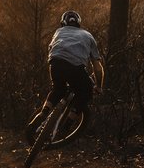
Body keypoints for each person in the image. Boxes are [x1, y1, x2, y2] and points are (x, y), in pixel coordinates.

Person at [25, 10, 105, 142]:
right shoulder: (87, 35)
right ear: (79, 23)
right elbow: (98, 68)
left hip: (55, 64)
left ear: (63, 23)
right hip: (75, 68)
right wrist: (99, 86)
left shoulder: (58, 32)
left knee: (58, 89)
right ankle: (66, 126)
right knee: (85, 93)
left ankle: (43, 112)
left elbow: (51, 50)